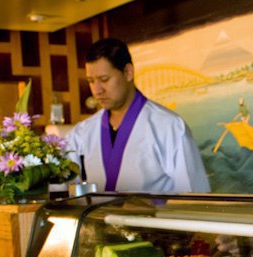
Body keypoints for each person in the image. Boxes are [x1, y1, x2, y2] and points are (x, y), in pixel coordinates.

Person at [67, 38, 210, 194]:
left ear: (128, 72)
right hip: (98, 218)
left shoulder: (168, 126)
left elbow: (193, 195)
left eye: (104, 79)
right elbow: (66, 186)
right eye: (91, 81)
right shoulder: (82, 132)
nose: (97, 90)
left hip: (152, 218)